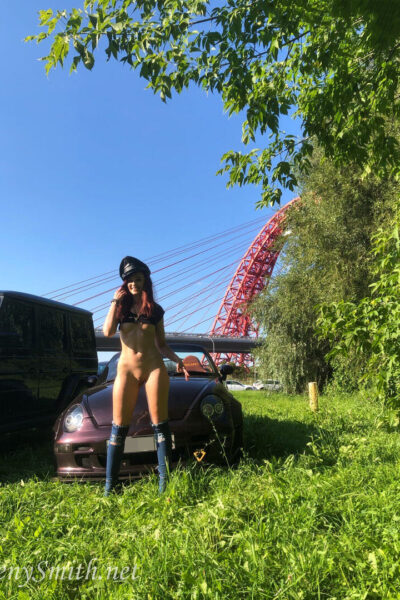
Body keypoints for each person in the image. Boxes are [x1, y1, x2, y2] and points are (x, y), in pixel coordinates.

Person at [102, 256, 189, 496]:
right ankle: (110, 487)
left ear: (145, 282)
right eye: (130, 280)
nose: (134, 284)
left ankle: (164, 485)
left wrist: (178, 360)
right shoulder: (120, 309)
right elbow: (107, 332)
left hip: (153, 368)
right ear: (125, 283)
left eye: (138, 279)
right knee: (119, 427)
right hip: (126, 370)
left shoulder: (155, 311)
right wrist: (114, 302)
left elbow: (162, 344)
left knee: (160, 425)